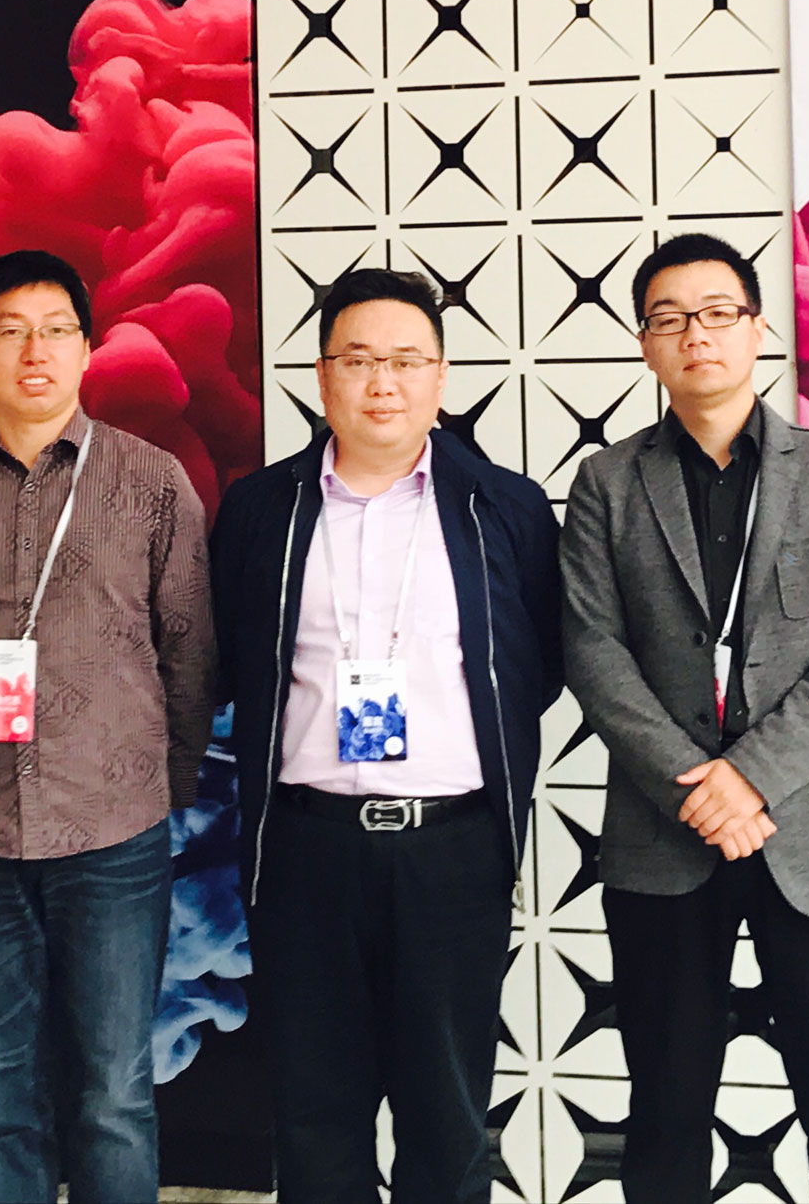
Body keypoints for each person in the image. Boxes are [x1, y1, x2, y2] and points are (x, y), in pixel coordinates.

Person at [559, 233, 809, 1203]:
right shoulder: (607, 483)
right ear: (645, 344)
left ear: (757, 329)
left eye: (717, 313)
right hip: (663, 835)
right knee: (665, 1113)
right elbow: (592, 649)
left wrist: (748, 778)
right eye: (669, 318)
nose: (696, 335)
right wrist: (697, 788)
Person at [210, 266, 561, 1204]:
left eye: (407, 360)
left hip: (451, 851)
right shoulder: (261, 509)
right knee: (315, 1119)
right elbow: (231, 660)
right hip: (305, 850)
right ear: (322, 376)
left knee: (447, 1122)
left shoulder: (506, 507)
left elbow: (539, 665)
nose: (383, 382)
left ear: (441, 375)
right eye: (359, 359)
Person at [0, 249, 215, 1204]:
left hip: (115, 834)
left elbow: (190, 652)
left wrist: (160, 789)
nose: (36, 351)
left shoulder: (150, 482)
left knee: (114, 1093)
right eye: (12, 331)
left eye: (57, 330)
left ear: (87, 347)